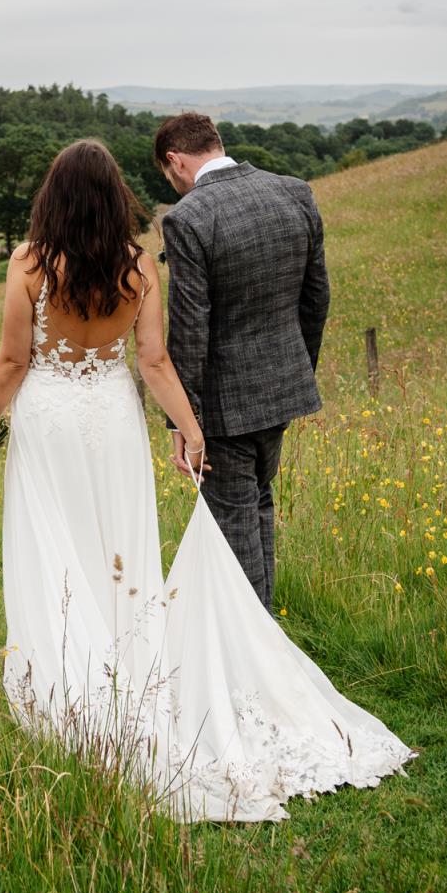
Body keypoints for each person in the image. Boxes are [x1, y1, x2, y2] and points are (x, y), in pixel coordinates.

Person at [0, 138, 416, 823]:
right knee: (119, 546)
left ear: (50, 199)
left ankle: (66, 684)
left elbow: (11, 360)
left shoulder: (28, 264)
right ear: (117, 197)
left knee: (55, 545)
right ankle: (125, 667)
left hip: (50, 422)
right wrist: (190, 429)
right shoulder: (139, 266)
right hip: (111, 421)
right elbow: (154, 360)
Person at [155, 113, 330, 615]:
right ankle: (267, 638)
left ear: (176, 160)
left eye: (170, 174)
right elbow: (316, 298)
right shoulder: (295, 191)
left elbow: (190, 327)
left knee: (233, 525)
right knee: (259, 505)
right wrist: (297, 370)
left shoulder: (188, 218)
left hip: (224, 405)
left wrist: (182, 423)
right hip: (283, 388)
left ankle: (254, 658)